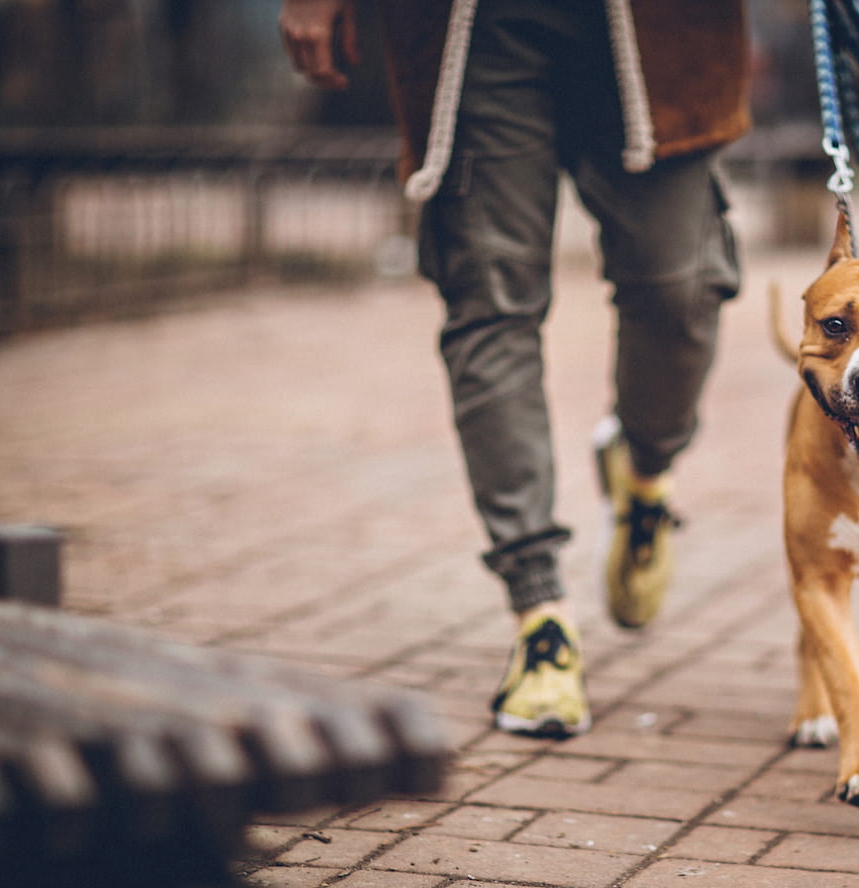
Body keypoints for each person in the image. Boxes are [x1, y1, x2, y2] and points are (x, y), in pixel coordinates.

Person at [279, 0, 749, 737]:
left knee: (678, 290)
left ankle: (646, 469)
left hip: (665, 30)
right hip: (476, 28)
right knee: (490, 304)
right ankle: (540, 616)